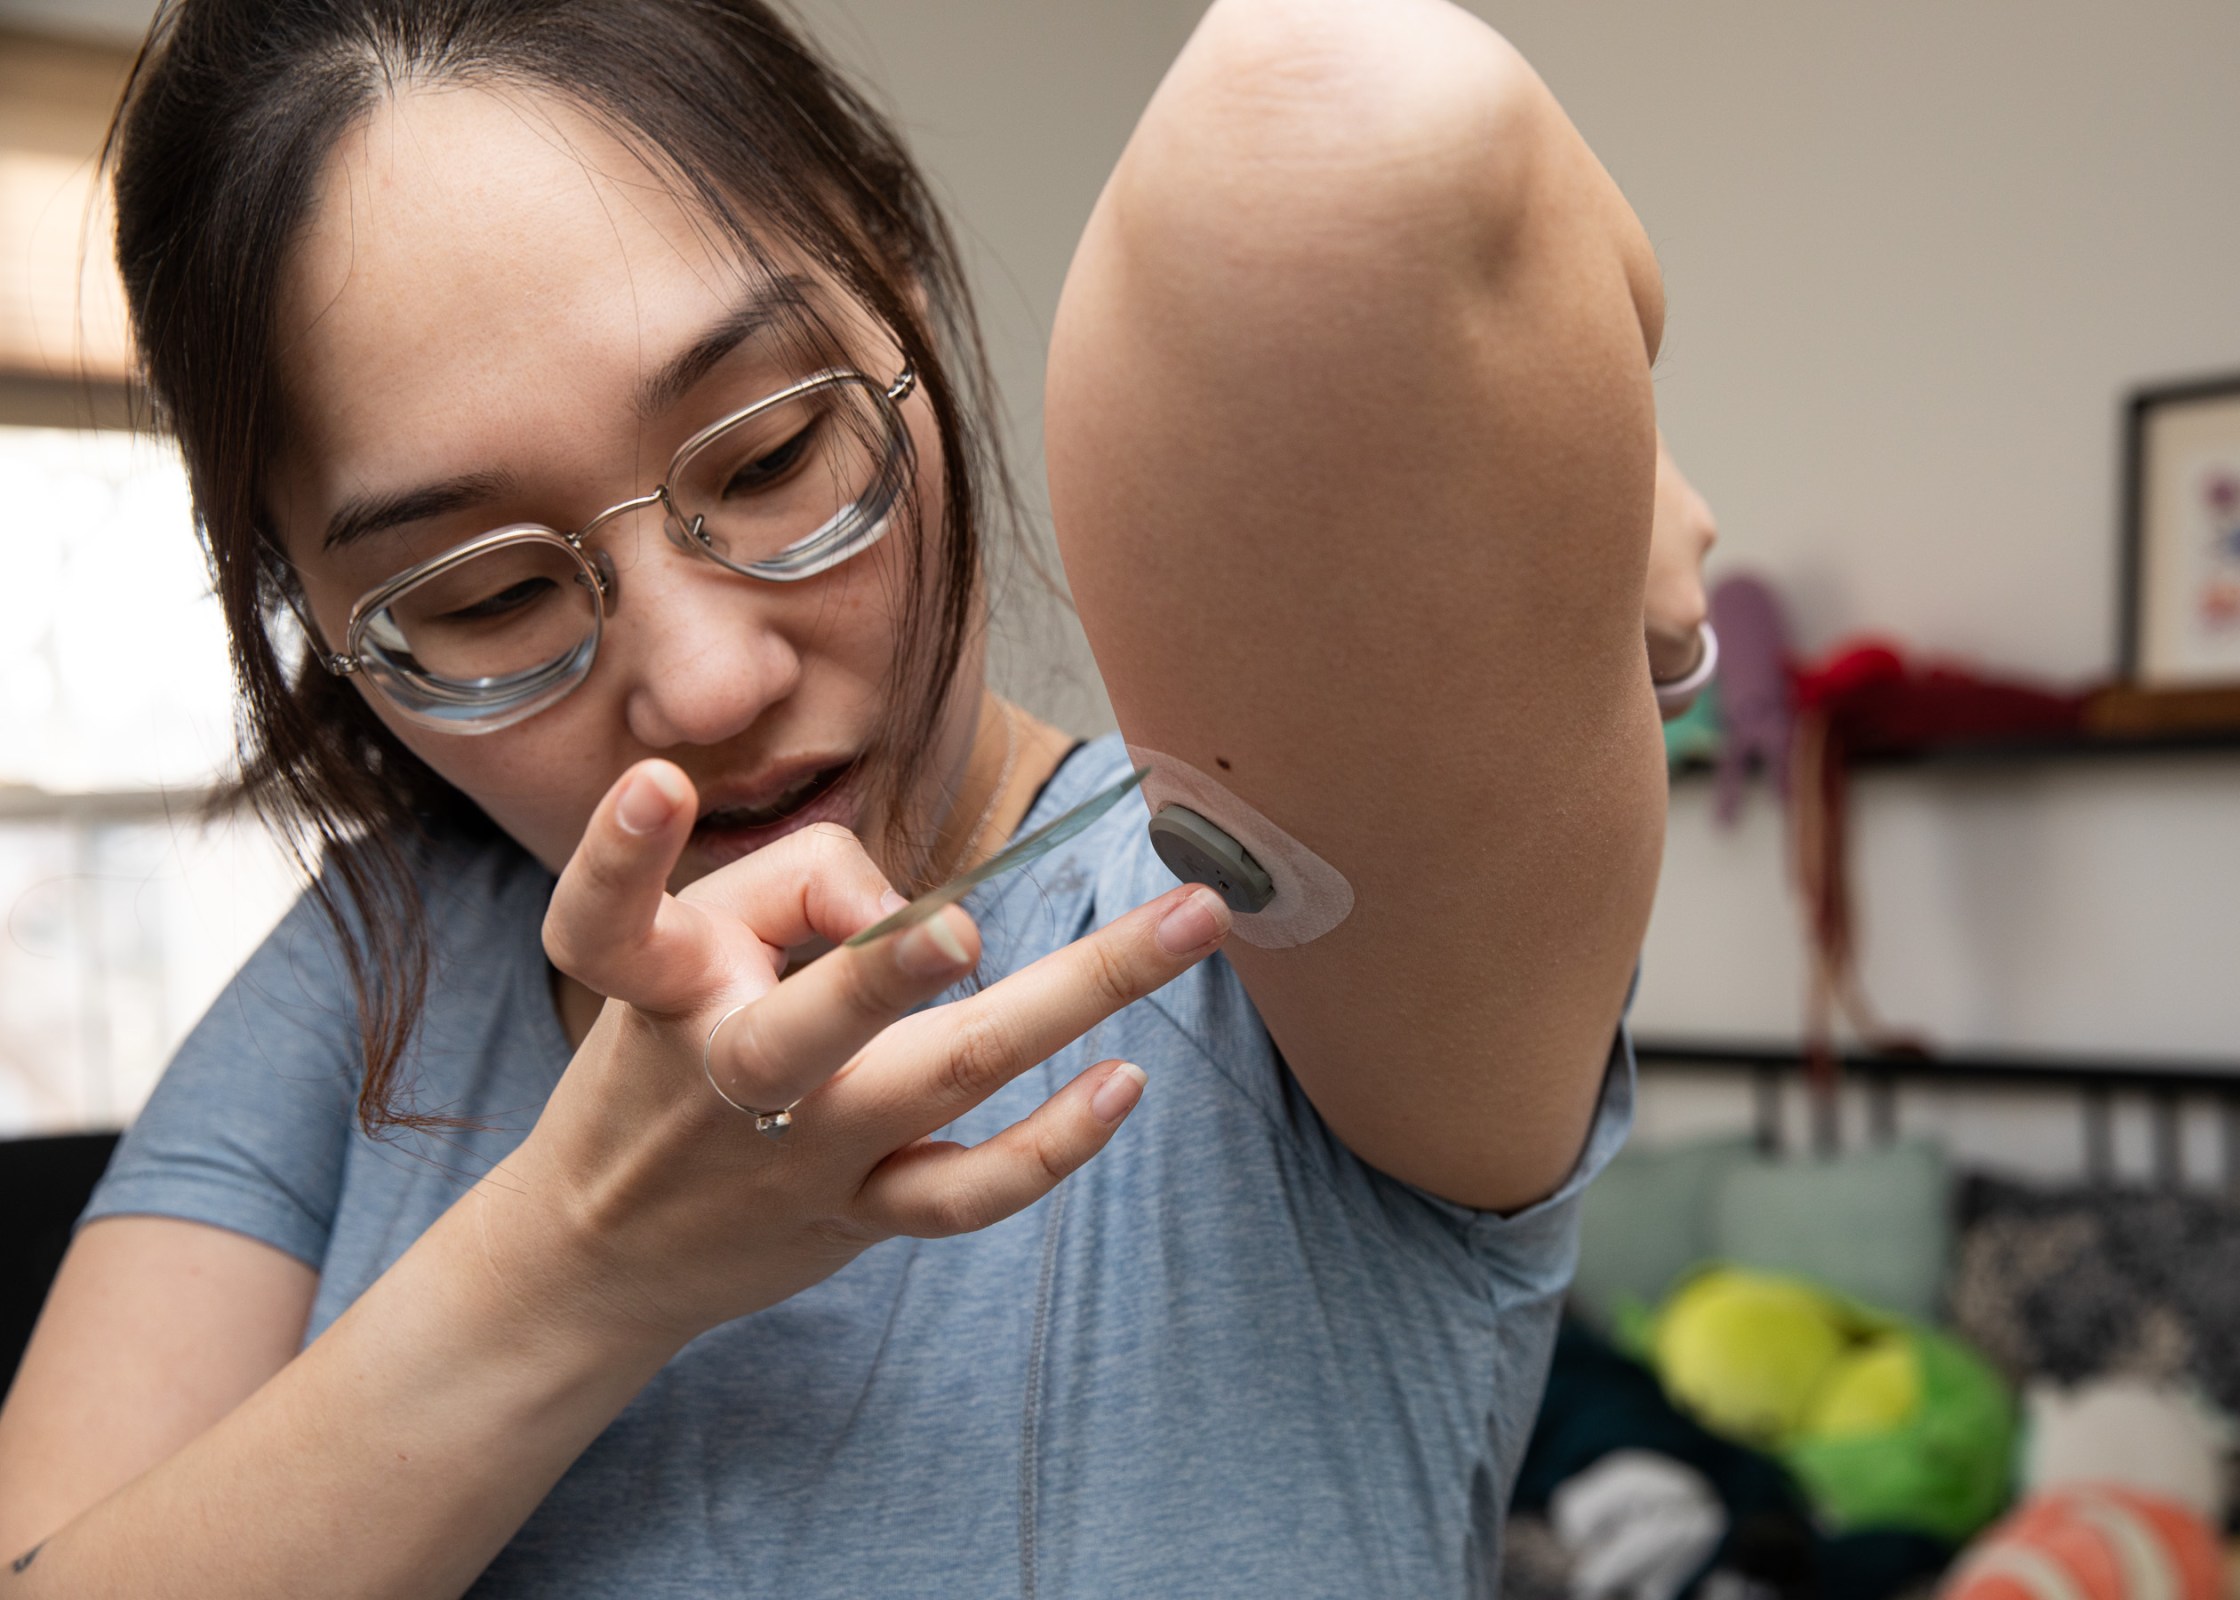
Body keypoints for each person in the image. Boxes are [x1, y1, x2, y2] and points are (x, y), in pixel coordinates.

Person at [0, 0, 1713, 1593]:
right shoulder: (387, 961)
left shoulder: (1261, 927)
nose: (706, 685)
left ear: (897, 287)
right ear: (326, 627)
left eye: (767, 457)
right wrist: (587, 1258)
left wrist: (1592, 389)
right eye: (481, 597)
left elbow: (1344, 111)